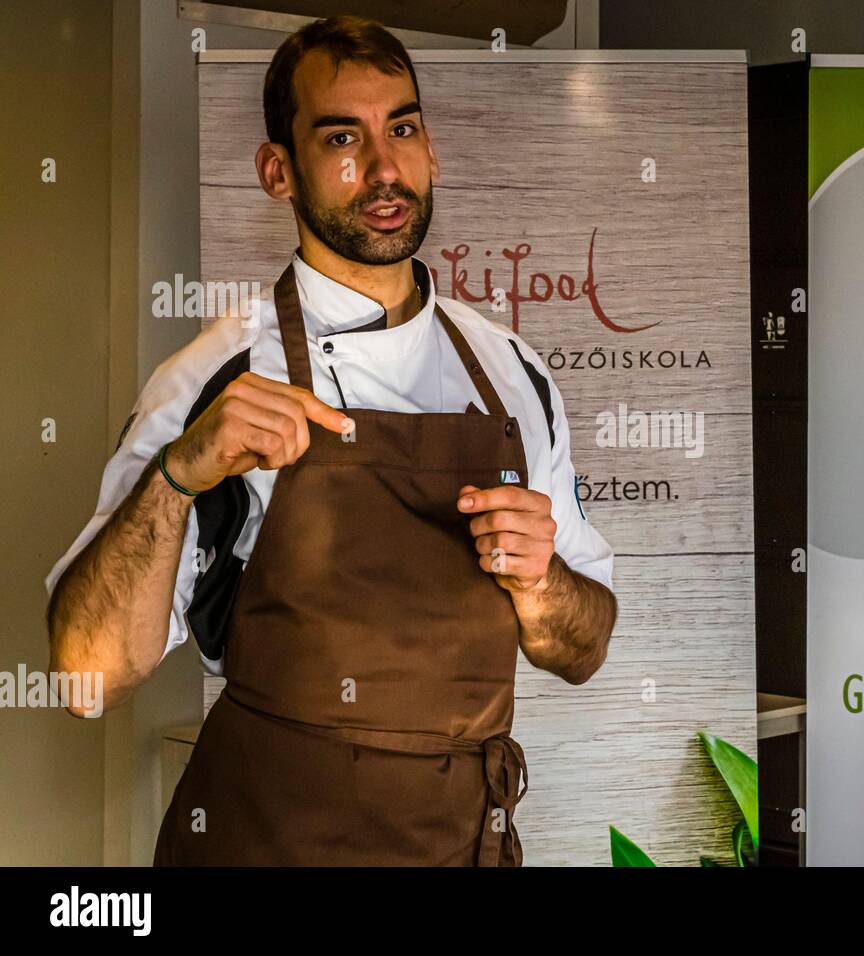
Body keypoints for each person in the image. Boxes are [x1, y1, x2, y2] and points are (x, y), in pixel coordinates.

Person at [44, 14, 618, 866]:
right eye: (343, 137)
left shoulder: (514, 372)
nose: (385, 169)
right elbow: (89, 678)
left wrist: (539, 585)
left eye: (404, 129)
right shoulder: (216, 376)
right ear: (278, 170)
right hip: (272, 841)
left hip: (460, 841)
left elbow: (583, 648)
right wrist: (177, 477)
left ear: (432, 150)